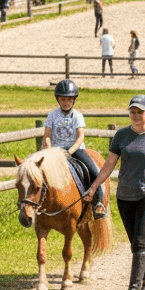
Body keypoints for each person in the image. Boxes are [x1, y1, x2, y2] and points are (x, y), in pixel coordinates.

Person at [83, 95, 145, 290]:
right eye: (133, 111)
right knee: (136, 242)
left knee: (140, 242)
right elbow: (109, 164)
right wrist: (94, 186)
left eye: (140, 112)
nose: (136, 115)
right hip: (124, 196)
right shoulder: (121, 136)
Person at [43, 79, 105, 218]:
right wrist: (49, 149)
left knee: (94, 171)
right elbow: (47, 135)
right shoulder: (52, 115)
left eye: (69, 100)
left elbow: (80, 137)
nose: (66, 102)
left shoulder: (77, 115)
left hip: (75, 150)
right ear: (58, 100)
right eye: (63, 99)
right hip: (56, 151)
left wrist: (70, 151)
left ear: (74, 100)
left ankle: (98, 203)